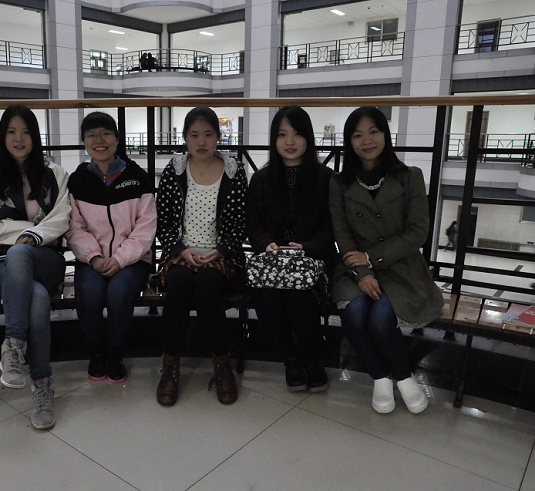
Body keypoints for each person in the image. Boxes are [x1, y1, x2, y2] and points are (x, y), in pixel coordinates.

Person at [328, 106, 443, 415]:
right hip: (354, 267)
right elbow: (343, 235)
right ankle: (380, 377)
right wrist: (363, 270)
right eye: (357, 135)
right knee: (355, 315)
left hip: (401, 265)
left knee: (379, 320)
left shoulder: (409, 176)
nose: (367, 140)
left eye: (374, 131)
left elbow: (418, 232)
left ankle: (403, 377)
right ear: (349, 141)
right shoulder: (339, 183)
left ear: (385, 134)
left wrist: (372, 256)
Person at [0, 105, 70, 430]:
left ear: (36, 136)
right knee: (38, 297)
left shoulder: (54, 173)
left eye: (26, 132)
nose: (19, 138)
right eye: (11, 132)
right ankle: (42, 384)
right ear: (2, 136)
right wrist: (29, 231)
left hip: (45, 259)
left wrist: (33, 237)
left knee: (20, 253)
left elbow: (62, 217)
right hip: (1, 264)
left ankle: (13, 345)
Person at [155, 106, 247, 406]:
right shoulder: (175, 170)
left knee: (207, 283)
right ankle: (170, 368)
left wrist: (220, 251)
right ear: (185, 138)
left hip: (222, 256)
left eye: (208, 134)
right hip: (181, 253)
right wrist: (181, 250)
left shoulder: (234, 171)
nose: (201, 141)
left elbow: (239, 224)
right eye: (194, 135)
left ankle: (222, 367)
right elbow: (164, 222)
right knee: (180, 282)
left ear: (218, 137)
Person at [246, 106, 335, 392]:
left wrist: (306, 247)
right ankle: (291, 358)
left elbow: (331, 227)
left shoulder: (325, 178)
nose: (290, 141)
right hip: (273, 261)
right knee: (266, 291)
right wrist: (266, 244)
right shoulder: (262, 179)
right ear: (274, 140)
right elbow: (253, 224)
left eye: (297, 134)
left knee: (299, 292)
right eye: (282, 135)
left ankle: (311, 358)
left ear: (309, 137)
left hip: (314, 261)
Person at [65, 111, 156, 384]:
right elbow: (74, 228)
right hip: (90, 258)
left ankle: (115, 351)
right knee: (90, 292)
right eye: (91, 135)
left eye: (105, 134)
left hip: (132, 259)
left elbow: (146, 227)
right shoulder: (77, 181)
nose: (99, 140)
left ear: (117, 140)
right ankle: (96, 351)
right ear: (84, 142)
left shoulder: (138, 177)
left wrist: (119, 259)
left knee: (119, 292)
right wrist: (93, 257)